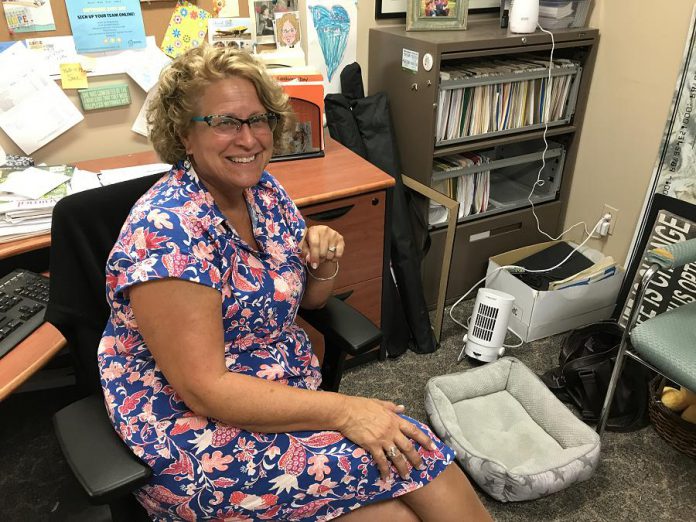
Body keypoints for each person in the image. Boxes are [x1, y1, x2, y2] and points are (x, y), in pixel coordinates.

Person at [97, 45, 492, 521]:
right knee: (416, 449)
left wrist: (321, 264)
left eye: (258, 120)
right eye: (224, 122)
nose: (248, 139)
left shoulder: (263, 192)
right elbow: (205, 389)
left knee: (398, 511)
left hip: (277, 392)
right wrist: (346, 411)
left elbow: (306, 301)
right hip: (192, 430)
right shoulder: (166, 231)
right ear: (185, 133)